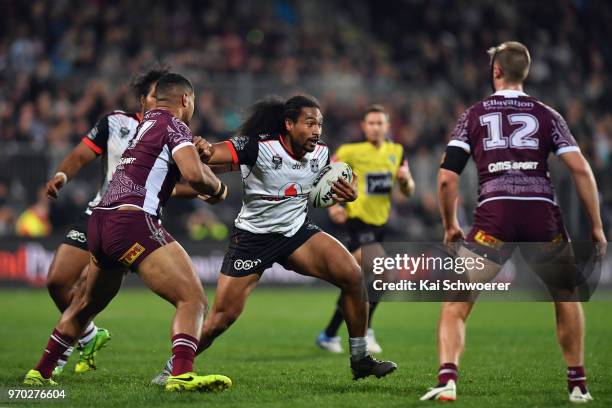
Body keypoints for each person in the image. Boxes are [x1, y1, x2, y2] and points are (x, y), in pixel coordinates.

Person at [151, 95, 398, 385]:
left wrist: (351, 190)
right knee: (221, 318)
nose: (316, 130)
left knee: (353, 275)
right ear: (289, 124)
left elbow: (340, 177)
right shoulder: (258, 146)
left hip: (296, 233)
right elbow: (214, 154)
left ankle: (360, 359)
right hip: (254, 238)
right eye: (309, 123)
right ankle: (171, 369)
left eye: (319, 124)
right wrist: (204, 149)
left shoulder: (320, 153)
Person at [420, 41, 606, 403]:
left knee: (457, 303)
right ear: (526, 72)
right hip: (542, 215)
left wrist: (450, 224)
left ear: (496, 71)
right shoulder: (548, 114)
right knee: (566, 297)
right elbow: (581, 170)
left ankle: (448, 380)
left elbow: (446, 178)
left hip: (495, 217)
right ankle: (578, 385)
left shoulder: (473, 114)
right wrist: (596, 225)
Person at [24, 73, 233, 392]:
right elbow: (193, 174)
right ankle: (180, 375)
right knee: (193, 299)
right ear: (185, 100)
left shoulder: (143, 127)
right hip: (133, 221)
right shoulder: (175, 125)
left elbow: (165, 171)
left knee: (83, 305)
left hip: (100, 220)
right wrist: (218, 189)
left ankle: (41, 372)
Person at [43, 66, 168, 375]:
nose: (162, 102)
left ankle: (51, 364)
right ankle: (89, 335)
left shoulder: (172, 134)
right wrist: (61, 175)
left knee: (87, 286)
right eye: (156, 95)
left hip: (132, 221)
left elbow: (174, 181)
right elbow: (80, 155)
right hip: (96, 211)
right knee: (57, 281)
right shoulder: (115, 123)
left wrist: (204, 189)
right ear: (142, 99)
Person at [316, 104, 415, 354]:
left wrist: (406, 182)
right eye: (371, 123)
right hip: (357, 223)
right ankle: (367, 329)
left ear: (387, 126)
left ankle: (328, 334)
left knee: (356, 280)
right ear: (363, 126)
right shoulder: (350, 151)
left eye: (380, 123)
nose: (375, 127)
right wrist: (334, 205)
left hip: (380, 223)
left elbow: (407, 190)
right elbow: (327, 174)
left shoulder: (397, 151)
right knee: (383, 272)